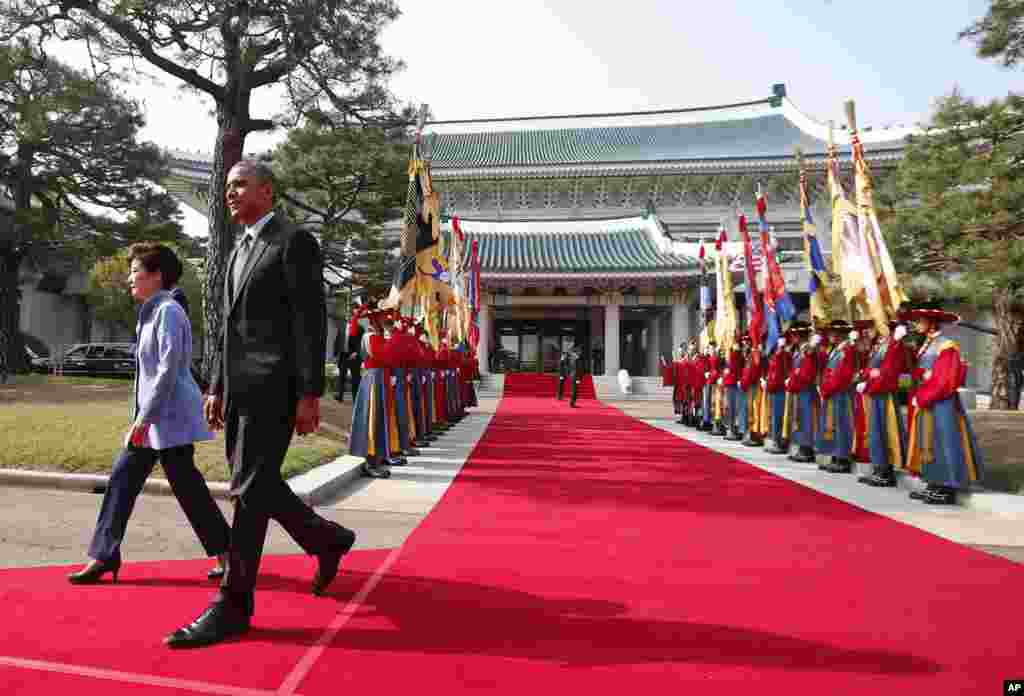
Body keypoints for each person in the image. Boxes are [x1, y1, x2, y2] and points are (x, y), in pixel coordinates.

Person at [165, 160, 356, 648]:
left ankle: (234, 604)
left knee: (249, 492)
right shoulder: (236, 251)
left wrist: (310, 393)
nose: (230, 194)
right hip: (238, 392)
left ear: (267, 192)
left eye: (241, 185)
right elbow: (229, 329)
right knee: (255, 485)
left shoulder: (294, 242)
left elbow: (309, 323)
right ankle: (324, 538)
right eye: (227, 186)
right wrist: (216, 386)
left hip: (276, 389)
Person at [69, 243, 229, 585]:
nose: (129, 278)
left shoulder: (168, 311)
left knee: (186, 487)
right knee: (124, 480)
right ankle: (104, 555)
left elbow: (168, 370)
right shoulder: (154, 311)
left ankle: (228, 554)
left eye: (135, 271)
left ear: (156, 276)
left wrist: (144, 419)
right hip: (154, 420)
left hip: (166, 420)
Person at [902, 306, 984, 505]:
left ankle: (946, 487)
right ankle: (933, 481)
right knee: (929, 442)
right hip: (929, 401)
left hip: (942, 403)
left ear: (931, 323)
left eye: (921, 321)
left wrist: (922, 397)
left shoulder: (946, 345)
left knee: (944, 443)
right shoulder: (929, 344)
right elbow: (924, 372)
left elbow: (945, 380)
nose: (917, 324)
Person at [857, 322, 911, 487]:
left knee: (885, 431)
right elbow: (870, 368)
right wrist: (867, 379)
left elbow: (889, 371)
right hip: (875, 392)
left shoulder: (893, 345)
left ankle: (886, 471)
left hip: (884, 393)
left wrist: (871, 382)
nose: (869, 331)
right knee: (875, 431)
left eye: (873, 327)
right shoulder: (881, 344)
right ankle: (878, 467)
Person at [334, 297, 365, 402]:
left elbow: (361, 342)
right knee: (341, 376)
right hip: (343, 355)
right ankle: (340, 396)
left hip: (354, 356)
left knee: (355, 378)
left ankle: (356, 397)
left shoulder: (360, 328)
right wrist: (336, 353)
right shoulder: (342, 327)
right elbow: (338, 339)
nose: (349, 316)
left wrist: (356, 352)